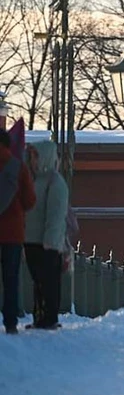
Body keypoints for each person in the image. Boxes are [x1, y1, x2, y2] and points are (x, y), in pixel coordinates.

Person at [24, 140, 69, 330]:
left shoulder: (54, 182)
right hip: (31, 239)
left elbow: (56, 214)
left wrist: (51, 240)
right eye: (31, 156)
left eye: (36, 156)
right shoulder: (34, 181)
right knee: (38, 281)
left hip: (46, 243)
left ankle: (49, 317)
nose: (33, 160)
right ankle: (39, 316)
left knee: (48, 281)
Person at [0, 129, 36, 335]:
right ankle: (10, 322)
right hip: (12, 233)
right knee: (11, 278)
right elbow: (30, 200)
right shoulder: (17, 167)